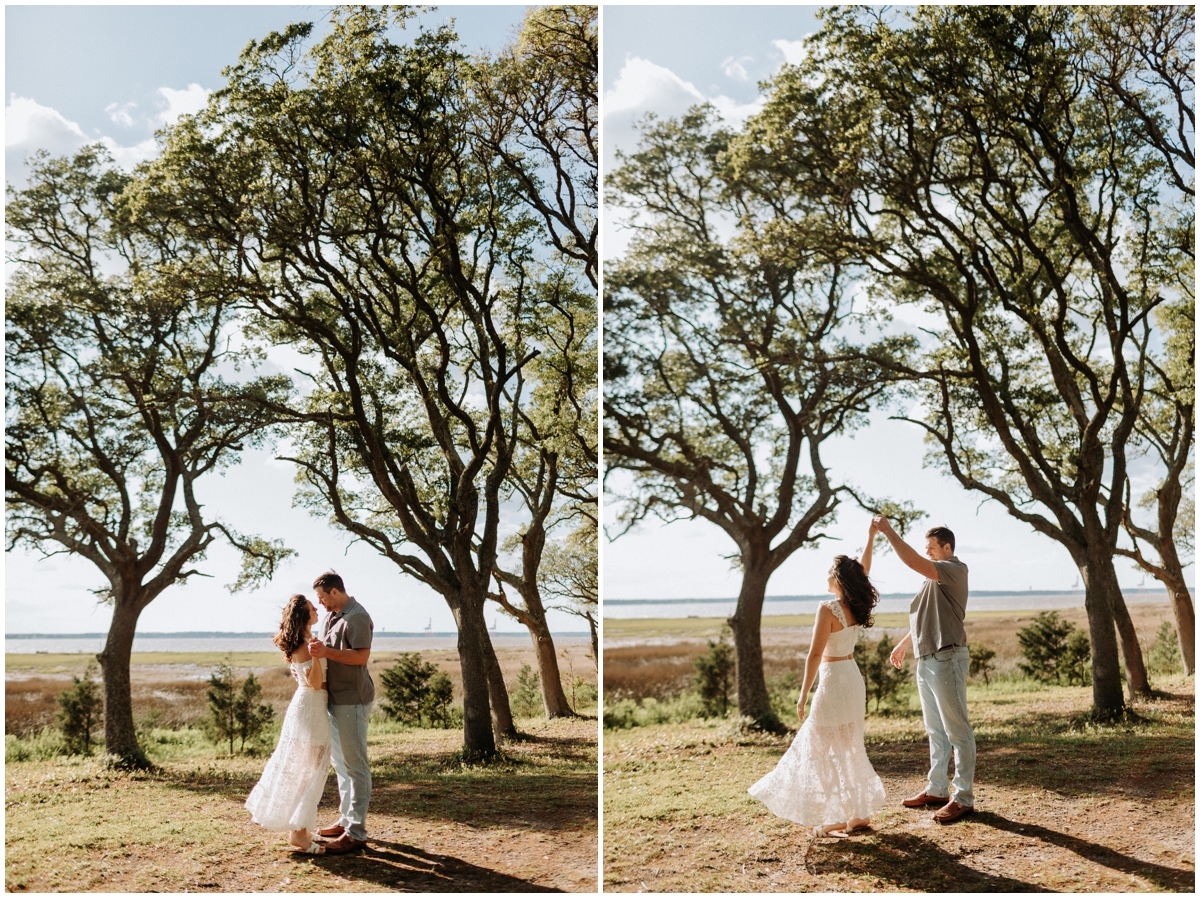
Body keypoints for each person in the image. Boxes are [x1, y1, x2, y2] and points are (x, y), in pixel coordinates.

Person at [748, 520, 887, 838]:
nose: (825, 574)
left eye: (829, 571)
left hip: (833, 682)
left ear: (838, 579)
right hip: (853, 679)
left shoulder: (827, 609)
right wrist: (869, 536)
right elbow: (862, 570)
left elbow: (814, 656)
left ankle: (836, 817)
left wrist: (802, 694)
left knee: (821, 751)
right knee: (850, 747)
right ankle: (859, 813)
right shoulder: (856, 604)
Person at [874, 516, 975, 824]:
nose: (928, 552)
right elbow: (925, 616)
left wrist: (889, 531)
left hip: (948, 658)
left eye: (932, 547)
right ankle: (937, 789)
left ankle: (963, 798)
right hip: (927, 659)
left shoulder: (955, 570)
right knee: (935, 730)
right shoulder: (933, 579)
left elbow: (913, 561)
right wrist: (905, 644)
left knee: (957, 730)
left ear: (948, 547)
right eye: (927, 548)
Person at [245, 594, 333, 855]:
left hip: (309, 706)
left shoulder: (306, 641)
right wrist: (318, 656)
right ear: (304, 617)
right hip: (311, 708)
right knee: (311, 770)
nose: (316, 609)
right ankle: (298, 835)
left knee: (310, 769)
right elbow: (315, 683)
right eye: (311, 608)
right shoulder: (308, 645)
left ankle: (302, 827)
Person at [309, 571, 375, 854]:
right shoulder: (330, 617)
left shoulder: (357, 617)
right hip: (335, 700)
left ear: (334, 592)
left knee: (356, 766)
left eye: (322, 598)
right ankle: (346, 820)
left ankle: (357, 833)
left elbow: (361, 656)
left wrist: (325, 653)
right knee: (342, 766)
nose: (320, 603)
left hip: (352, 700)